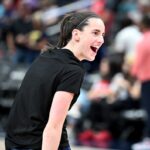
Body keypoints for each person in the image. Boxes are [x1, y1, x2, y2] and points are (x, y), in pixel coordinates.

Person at [5, 11, 105, 150]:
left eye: (102, 35)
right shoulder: (73, 70)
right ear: (76, 34)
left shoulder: (45, 56)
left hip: (13, 141)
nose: (101, 40)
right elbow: (53, 126)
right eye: (95, 33)